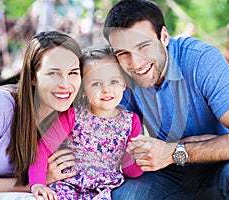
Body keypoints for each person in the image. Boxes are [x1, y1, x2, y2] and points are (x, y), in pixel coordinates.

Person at [103, 0, 229, 199]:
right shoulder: (120, 76)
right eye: (123, 53)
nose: (135, 63)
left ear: (164, 36)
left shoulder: (200, 60)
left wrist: (172, 151)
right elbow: (109, 141)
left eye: (143, 46)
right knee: (126, 195)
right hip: (167, 172)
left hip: (222, 163)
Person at [0, 30, 82, 199]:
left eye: (73, 73)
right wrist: (34, 183)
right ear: (33, 77)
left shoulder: (72, 118)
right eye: (53, 73)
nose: (65, 84)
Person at [28, 45, 143, 200]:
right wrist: (38, 183)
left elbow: (131, 171)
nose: (106, 90)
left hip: (103, 191)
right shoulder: (73, 116)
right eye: (96, 84)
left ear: (124, 83)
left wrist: (136, 156)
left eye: (114, 81)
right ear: (83, 89)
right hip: (67, 185)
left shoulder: (131, 122)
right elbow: (42, 149)